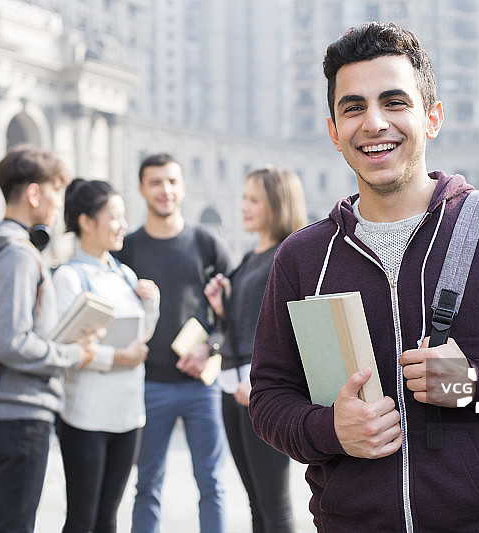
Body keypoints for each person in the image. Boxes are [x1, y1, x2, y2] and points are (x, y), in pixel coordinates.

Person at [248, 21, 479, 532]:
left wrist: (477, 383)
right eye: (353, 107)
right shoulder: (303, 257)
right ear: (334, 131)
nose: (374, 123)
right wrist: (330, 429)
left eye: (395, 102)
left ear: (433, 117)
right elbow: (269, 398)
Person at [0, 144, 99, 533]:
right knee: (11, 524)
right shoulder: (19, 255)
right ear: (34, 194)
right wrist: (74, 354)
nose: (59, 203)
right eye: (56, 191)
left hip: (0, 409)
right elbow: (12, 342)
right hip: (20, 413)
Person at [114, 153, 233, 533]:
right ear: (141, 190)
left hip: (202, 385)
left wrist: (210, 347)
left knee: (212, 485)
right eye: (155, 182)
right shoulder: (127, 249)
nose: (165, 190)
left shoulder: (207, 244)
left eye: (171, 182)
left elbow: (238, 314)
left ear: (182, 187)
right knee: (147, 485)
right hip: (147, 384)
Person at [52, 178, 160, 533]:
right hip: (86, 417)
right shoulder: (69, 278)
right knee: (82, 519)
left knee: (109, 519)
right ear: (86, 221)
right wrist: (117, 358)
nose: (122, 226)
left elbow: (140, 338)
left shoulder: (126, 275)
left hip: (128, 415)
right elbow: (65, 349)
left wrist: (152, 303)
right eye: (113, 217)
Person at [204, 166, 306, 533]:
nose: (243, 207)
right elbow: (242, 325)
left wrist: (263, 382)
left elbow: (291, 329)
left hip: (260, 387)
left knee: (274, 506)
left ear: (277, 203)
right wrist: (221, 306)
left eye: (253, 200)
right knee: (255, 502)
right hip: (231, 384)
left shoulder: (288, 255)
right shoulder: (250, 258)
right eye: (244, 198)